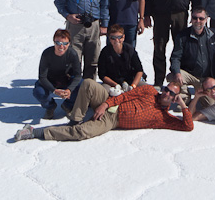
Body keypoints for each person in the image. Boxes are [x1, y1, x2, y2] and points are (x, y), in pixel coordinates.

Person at [14, 78, 193, 142]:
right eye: (166, 89)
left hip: (112, 121)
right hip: (111, 103)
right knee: (89, 84)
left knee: (81, 133)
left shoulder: (163, 118)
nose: (167, 93)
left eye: (171, 94)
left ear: (174, 98)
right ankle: (76, 118)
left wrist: (183, 105)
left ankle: (34, 132)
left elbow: (188, 126)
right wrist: (106, 104)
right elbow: (125, 96)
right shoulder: (149, 91)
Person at [54, 0, 110, 79]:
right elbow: (59, 2)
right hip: (75, 26)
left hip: (94, 26)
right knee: (74, 59)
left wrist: (104, 24)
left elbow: (105, 3)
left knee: (93, 60)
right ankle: (74, 90)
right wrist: (68, 16)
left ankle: (89, 89)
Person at [169, 7, 215, 91]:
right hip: (189, 75)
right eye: (195, 18)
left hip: (207, 78)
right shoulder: (182, 36)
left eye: (201, 18)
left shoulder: (213, 35)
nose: (197, 21)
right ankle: (184, 96)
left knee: (211, 103)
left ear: (206, 19)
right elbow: (175, 57)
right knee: (174, 77)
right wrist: (177, 72)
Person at [32, 29, 83, 120]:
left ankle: (68, 105)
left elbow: (78, 75)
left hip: (66, 79)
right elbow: (42, 77)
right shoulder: (47, 54)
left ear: (69, 43)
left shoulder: (72, 54)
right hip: (50, 80)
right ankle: (50, 106)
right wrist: (54, 90)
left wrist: (69, 89)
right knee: (39, 92)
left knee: (82, 84)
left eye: (65, 44)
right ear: (54, 42)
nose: (61, 47)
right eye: (58, 43)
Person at [98, 24, 145, 94]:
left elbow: (139, 70)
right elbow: (102, 75)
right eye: (113, 38)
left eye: (119, 37)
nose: (116, 40)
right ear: (109, 38)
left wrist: (133, 86)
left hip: (131, 81)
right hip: (112, 83)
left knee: (148, 90)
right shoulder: (105, 52)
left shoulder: (130, 50)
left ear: (123, 37)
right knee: (103, 93)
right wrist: (116, 85)